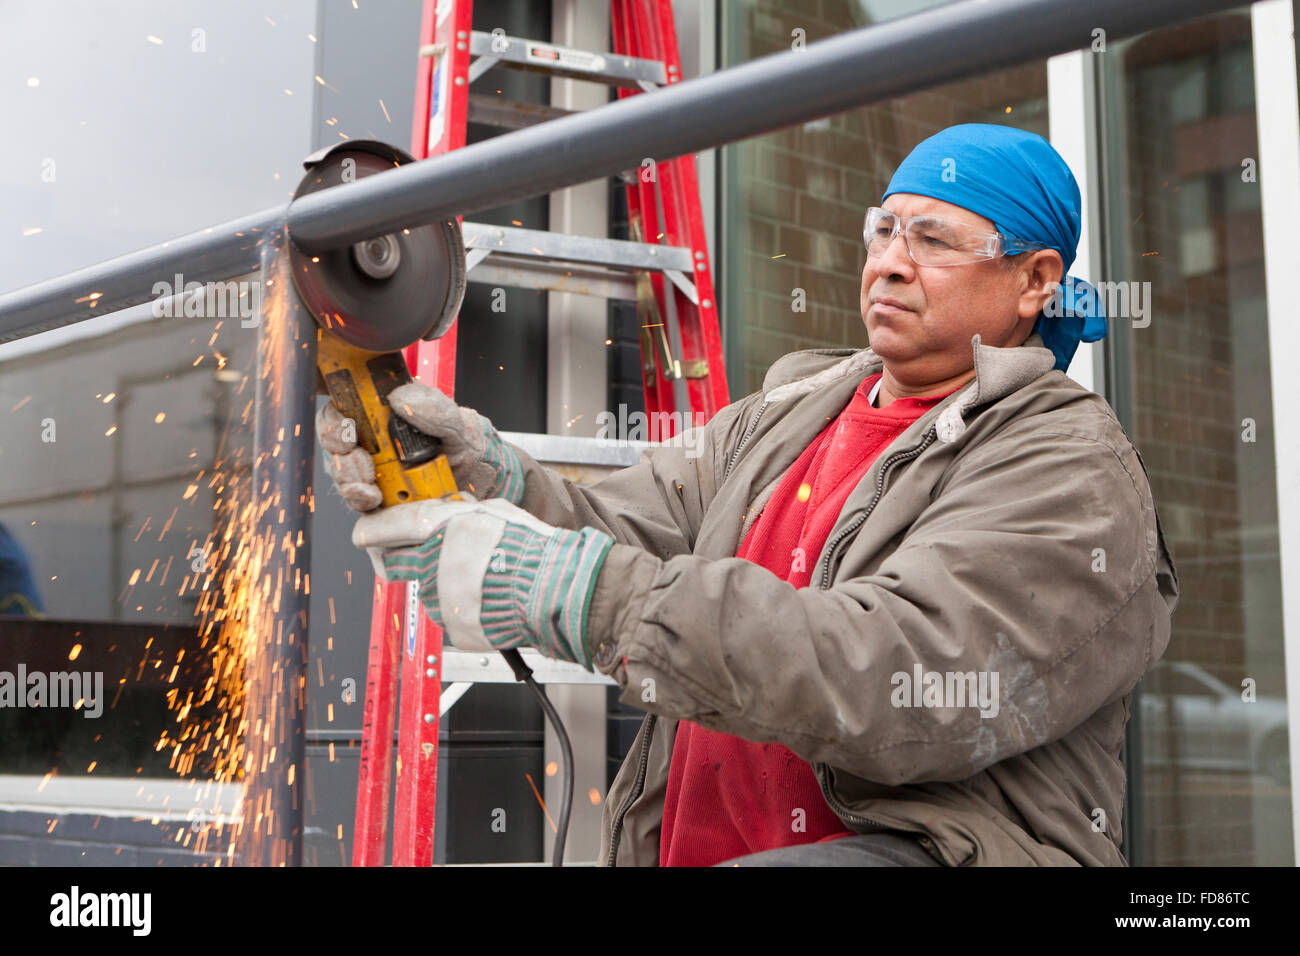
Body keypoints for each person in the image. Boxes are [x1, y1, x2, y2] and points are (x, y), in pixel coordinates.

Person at [317, 123, 1178, 867]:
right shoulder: (792, 411)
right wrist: (484, 479)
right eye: (882, 231)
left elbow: (894, 674)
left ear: (1035, 280)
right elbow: (620, 530)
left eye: (934, 240)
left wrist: (578, 591)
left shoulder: (1067, 463)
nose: (890, 264)